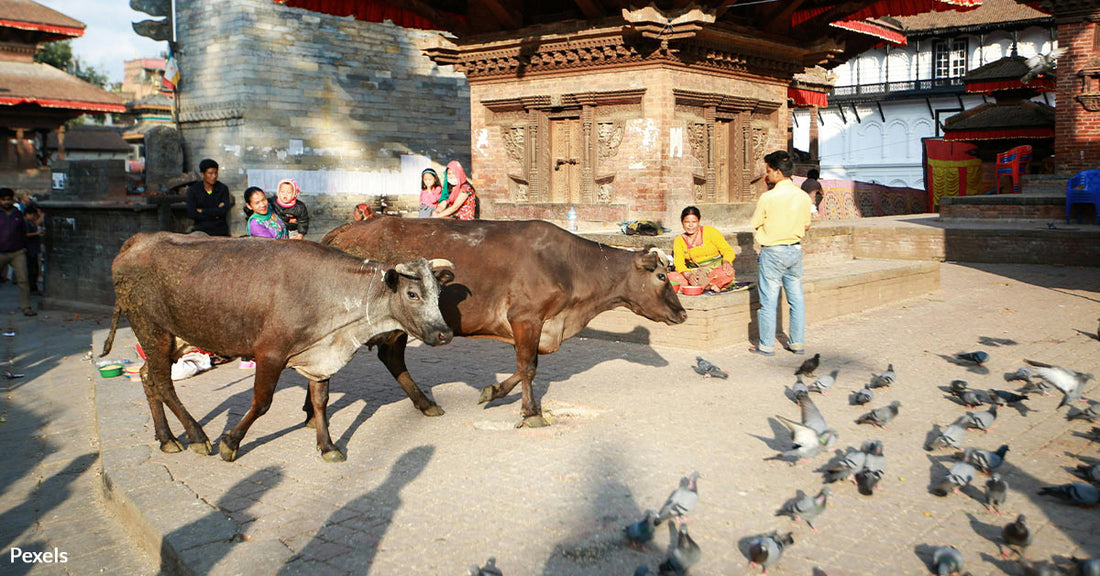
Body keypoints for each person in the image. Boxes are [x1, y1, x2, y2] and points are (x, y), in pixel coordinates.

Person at [750, 150, 812, 356]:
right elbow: (807, 225)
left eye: (768, 171)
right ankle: (797, 342)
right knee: (796, 299)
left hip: (773, 252)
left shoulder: (768, 197)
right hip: (794, 250)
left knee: (768, 300)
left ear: (777, 172)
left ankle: (766, 345)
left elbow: (755, 223)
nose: (767, 175)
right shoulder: (803, 197)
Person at [670, 206, 737, 291]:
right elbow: (679, 263)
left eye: (694, 222)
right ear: (682, 223)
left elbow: (727, 250)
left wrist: (726, 261)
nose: (690, 225)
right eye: (687, 222)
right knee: (672, 277)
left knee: (725, 274)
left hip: (713, 272)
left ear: (699, 222)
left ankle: (699, 286)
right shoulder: (679, 240)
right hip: (694, 274)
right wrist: (689, 275)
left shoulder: (710, 231)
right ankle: (708, 287)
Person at [0, 188, 34, 315]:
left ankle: (26, 306)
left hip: (17, 251)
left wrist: (24, 247)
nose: (6, 202)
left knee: (23, 280)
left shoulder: (18, 213)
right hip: (1, 251)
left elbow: (22, 232)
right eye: (3, 200)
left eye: (8, 199)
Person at [186, 158, 231, 236]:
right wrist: (216, 214)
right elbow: (191, 213)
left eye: (216, 173)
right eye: (210, 173)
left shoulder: (222, 189)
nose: (214, 176)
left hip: (220, 230)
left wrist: (203, 211)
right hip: (201, 230)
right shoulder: (194, 190)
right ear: (202, 174)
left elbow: (224, 211)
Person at [24, 206, 43, 294]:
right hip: (30, 249)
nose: (34, 217)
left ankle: (33, 287)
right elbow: (27, 234)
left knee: (34, 268)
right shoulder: (26, 223)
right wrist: (37, 233)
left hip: (33, 248)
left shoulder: (30, 222)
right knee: (31, 269)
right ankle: (32, 288)